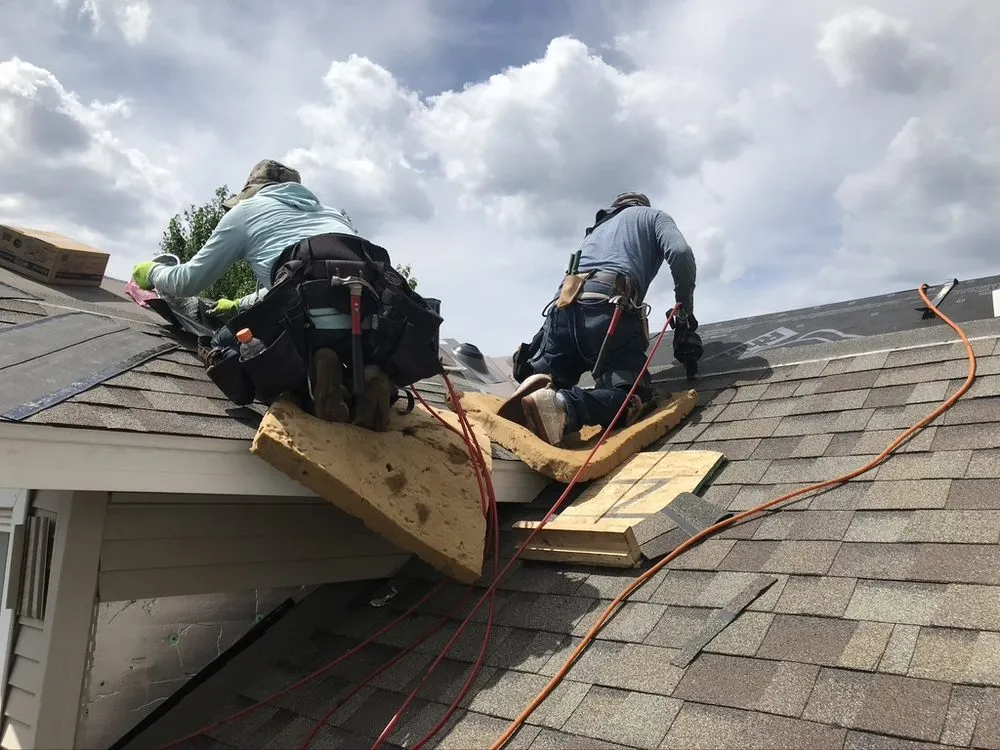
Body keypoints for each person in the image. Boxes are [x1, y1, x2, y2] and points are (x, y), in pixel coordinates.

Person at [131, 159, 391, 428]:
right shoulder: (332, 215)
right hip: (368, 329)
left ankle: (309, 390)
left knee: (224, 345)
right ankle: (365, 379)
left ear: (254, 191)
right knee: (327, 329)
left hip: (308, 326)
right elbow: (311, 279)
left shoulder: (245, 213)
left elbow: (187, 282)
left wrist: (151, 273)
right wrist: (237, 304)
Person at [508, 191, 701, 446]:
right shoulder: (653, 217)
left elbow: (570, 288)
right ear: (640, 205)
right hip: (607, 310)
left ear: (615, 207)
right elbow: (680, 252)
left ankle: (543, 381)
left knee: (557, 373)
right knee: (632, 395)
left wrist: (537, 348)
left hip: (561, 310)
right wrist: (685, 313)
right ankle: (563, 406)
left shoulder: (596, 231)